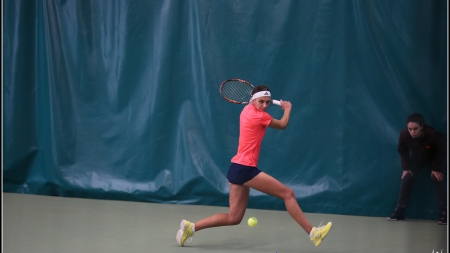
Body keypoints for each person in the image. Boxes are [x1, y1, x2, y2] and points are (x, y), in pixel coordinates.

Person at [176, 85, 332, 247]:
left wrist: (264, 102)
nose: (264, 105)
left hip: (236, 168)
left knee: (234, 217)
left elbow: (261, 110)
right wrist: (287, 109)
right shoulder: (260, 117)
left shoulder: (246, 111)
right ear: (252, 100)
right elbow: (283, 124)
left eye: (268, 102)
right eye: (261, 101)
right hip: (245, 169)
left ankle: (191, 227)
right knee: (288, 194)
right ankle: (313, 233)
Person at [388, 113, 447, 225]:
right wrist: (406, 167)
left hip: (437, 155)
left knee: (437, 178)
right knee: (407, 177)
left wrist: (436, 168)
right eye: (410, 129)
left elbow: (443, 149)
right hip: (419, 155)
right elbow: (402, 150)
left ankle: (445, 213)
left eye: (415, 129)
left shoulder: (433, 135)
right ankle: (399, 212)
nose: (412, 132)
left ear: (422, 127)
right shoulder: (404, 134)